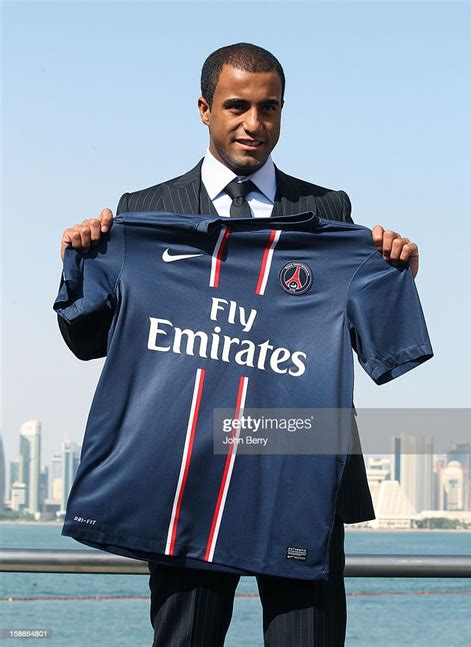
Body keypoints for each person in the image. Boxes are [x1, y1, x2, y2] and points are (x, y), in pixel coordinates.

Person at [58, 43, 421, 646]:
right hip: (187, 470)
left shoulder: (328, 209)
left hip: (299, 463)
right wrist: (79, 261)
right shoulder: (143, 212)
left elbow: (358, 336)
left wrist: (394, 275)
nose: (254, 123)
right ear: (204, 109)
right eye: (237, 106)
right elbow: (93, 342)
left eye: (269, 108)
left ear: (282, 112)